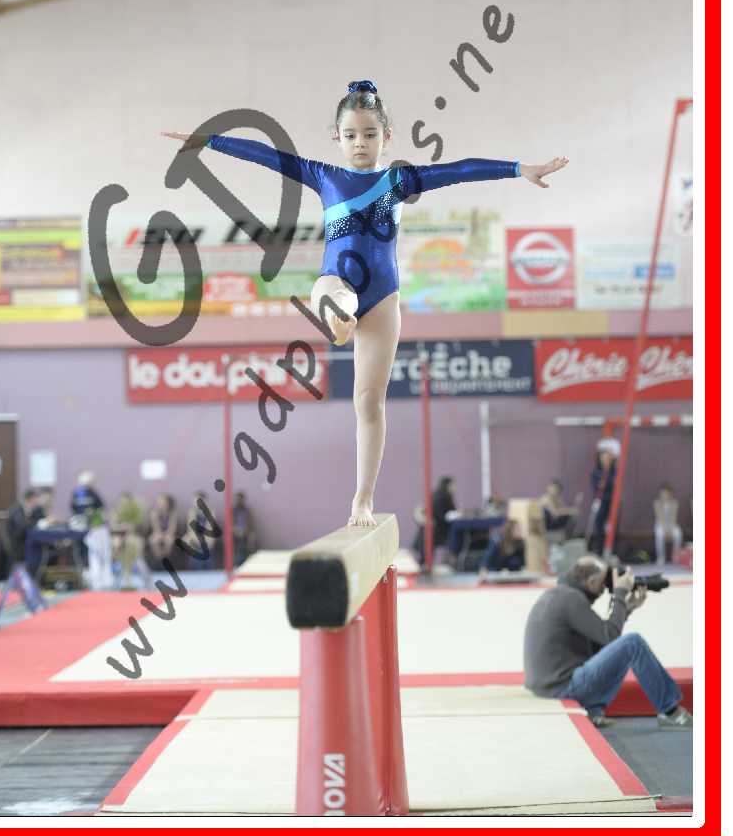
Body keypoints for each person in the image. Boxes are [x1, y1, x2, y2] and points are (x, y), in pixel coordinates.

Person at [163, 83, 567, 528]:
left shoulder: (398, 181)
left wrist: (518, 169)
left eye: (370, 134)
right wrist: (209, 141)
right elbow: (268, 156)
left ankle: (362, 500)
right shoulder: (323, 175)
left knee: (369, 403)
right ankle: (339, 318)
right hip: (335, 283)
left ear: (386, 137)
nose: (360, 143)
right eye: (351, 135)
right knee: (340, 300)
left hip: (384, 299)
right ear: (336, 137)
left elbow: (459, 170)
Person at [523, 554, 692, 729]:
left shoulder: (559, 595)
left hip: (548, 686)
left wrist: (626, 610)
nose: (604, 588)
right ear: (591, 581)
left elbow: (603, 642)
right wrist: (620, 594)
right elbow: (610, 636)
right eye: (602, 583)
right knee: (632, 643)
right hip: (561, 688)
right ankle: (671, 712)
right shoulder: (570, 599)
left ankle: (593, 711)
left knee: (619, 650)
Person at [0, 489, 41, 580]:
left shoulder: (26, 509)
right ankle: (32, 577)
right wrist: (31, 519)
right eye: (35, 499)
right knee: (38, 549)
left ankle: (32, 577)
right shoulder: (17, 510)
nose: (36, 502)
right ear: (31, 499)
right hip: (16, 545)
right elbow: (21, 527)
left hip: (20, 541)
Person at [587, 438, 620, 557]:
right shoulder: (596, 472)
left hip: (612, 502)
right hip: (601, 501)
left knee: (612, 527)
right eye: (603, 457)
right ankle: (599, 550)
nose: (605, 460)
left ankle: (611, 550)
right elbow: (596, 486)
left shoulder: (614, 472)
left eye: (608, 458)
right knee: (598, 525)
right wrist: (601, 483)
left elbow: (614, 484)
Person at [180, 491, 219, 571]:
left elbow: (211, 529)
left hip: (207, 537)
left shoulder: (211, 512)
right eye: (195, 501)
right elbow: (191, 529)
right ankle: (194, 568)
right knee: (187, 540)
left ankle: (208, 567)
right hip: (195, 538)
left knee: (207, 544)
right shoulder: (192, 512)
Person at [145, 493, 179, 569]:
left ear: (168, 503)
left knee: (169, 540)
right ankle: (159, 559)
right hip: (158, 533)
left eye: (163, 502)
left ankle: (166, 559)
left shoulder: (173, 513)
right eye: (159, 502)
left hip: (169, 533)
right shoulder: (154, 513)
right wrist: (160, 534)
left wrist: (167, 534)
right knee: (153, 540)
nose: (161, 504)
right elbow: (156, 527)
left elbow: (172, 528)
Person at [653, 484, 683, 565]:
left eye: (665, 493)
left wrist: (670, 530)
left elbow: (674, 517)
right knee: (659, 534)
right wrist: (665, 530)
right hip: (660, 524)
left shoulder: (674, 503)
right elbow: (660, 517)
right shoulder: (657, 503)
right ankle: (661, 557)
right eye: (662, 493)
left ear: (670, 494)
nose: (664, 495)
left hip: (671, 524)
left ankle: (676, 557)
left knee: (678, 533)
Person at [231, 491, 258, 567]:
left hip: (246, 534)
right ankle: (237, 564)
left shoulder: (247, 511)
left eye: (240, 499)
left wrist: (251, 534)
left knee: (248, 548)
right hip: (235, 535)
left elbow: (252, 524)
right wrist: (235, 530)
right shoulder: (233, 511)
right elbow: (229, 524)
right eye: (237, 499)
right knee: (238, 549)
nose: (239, 501)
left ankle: (246, 564)